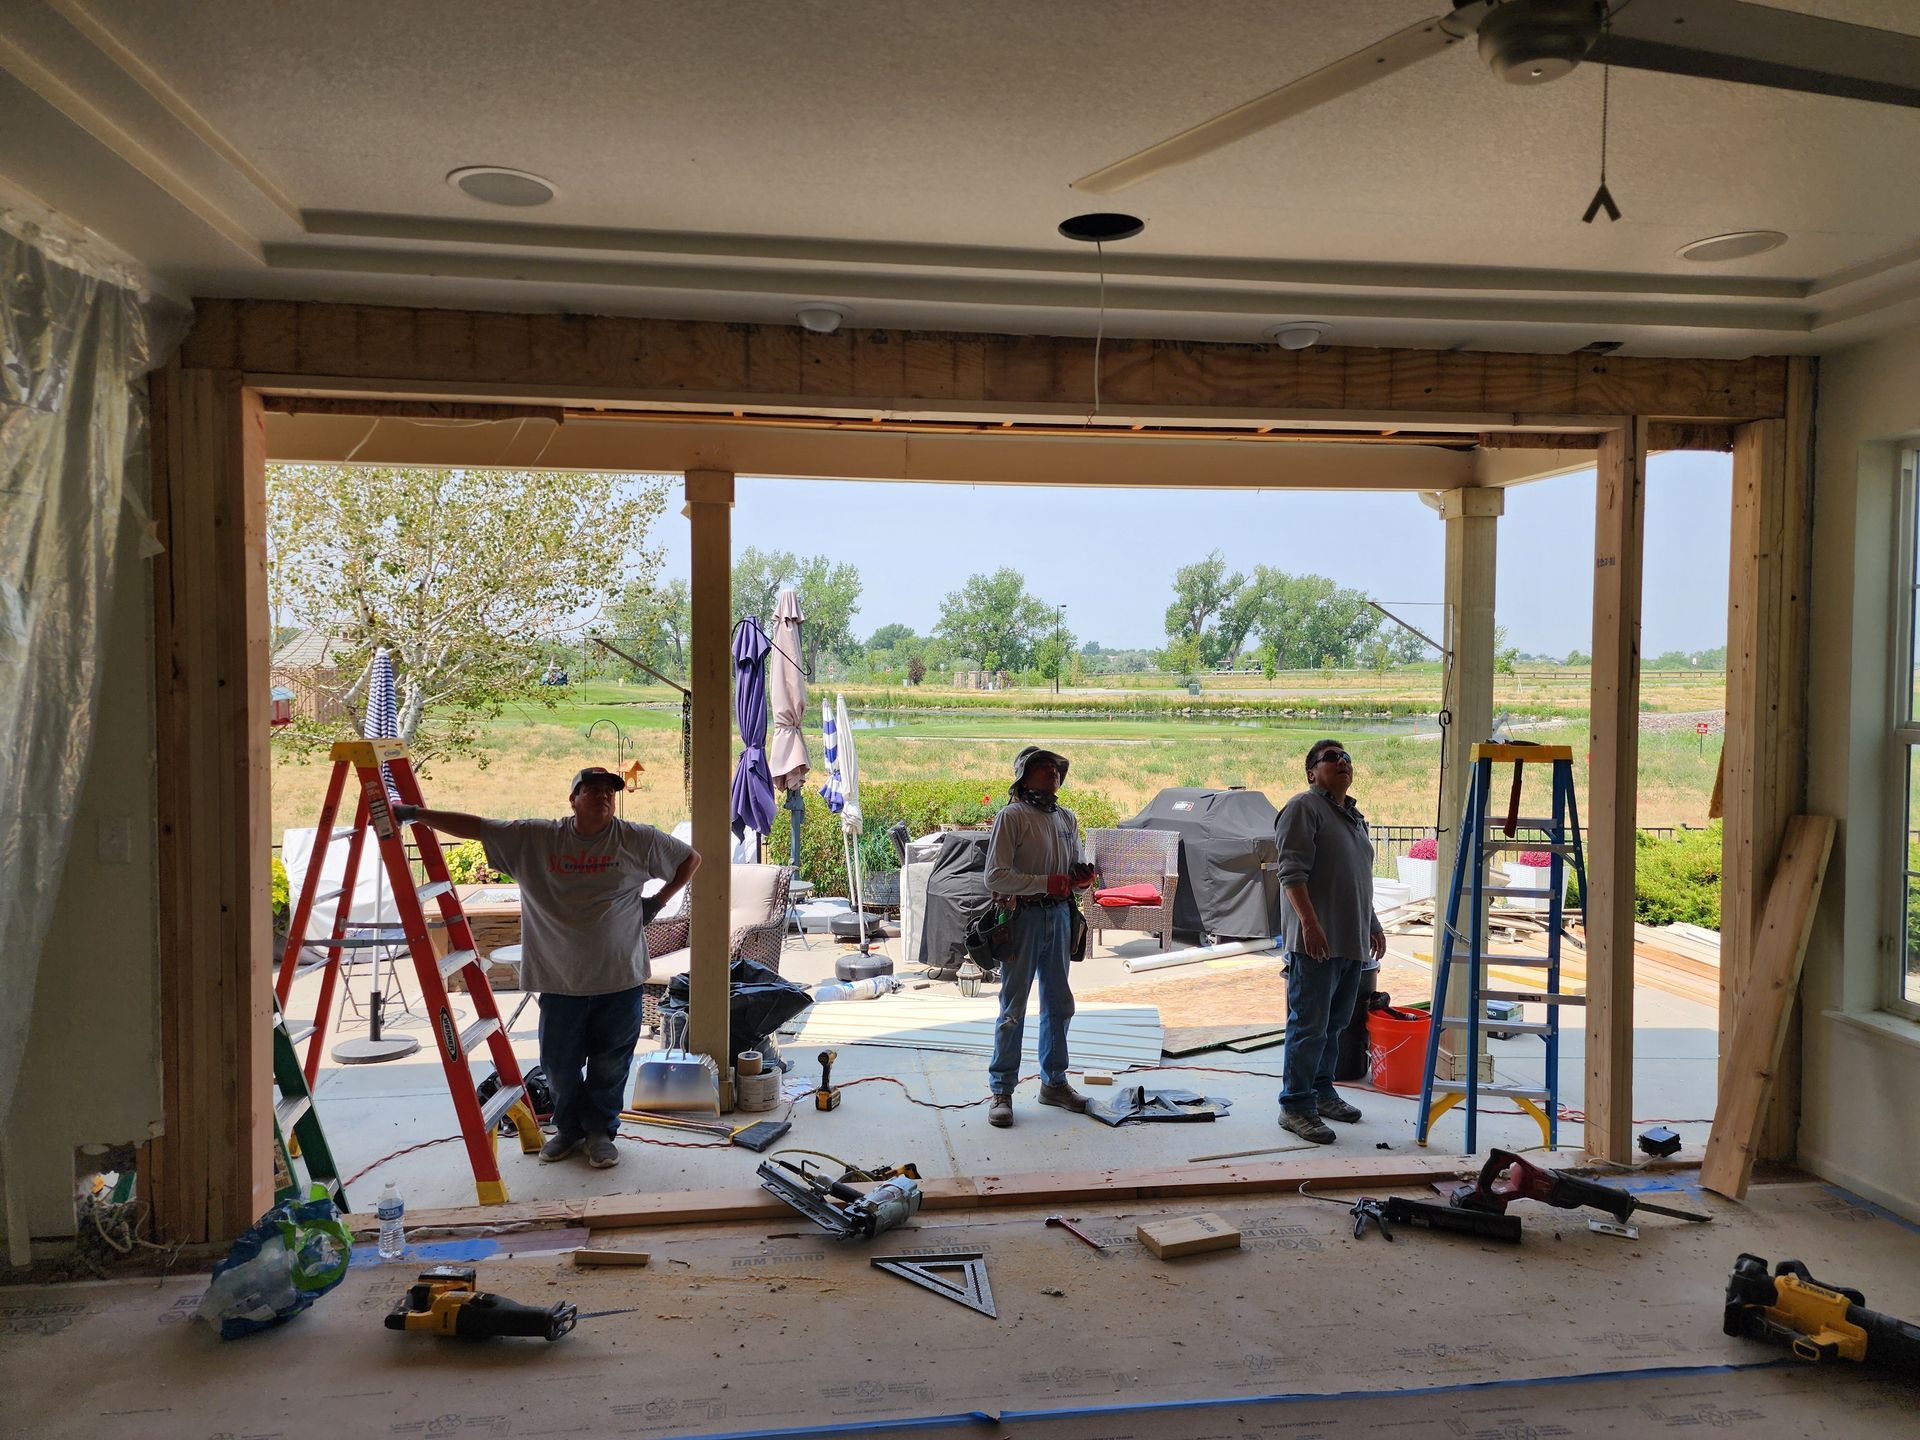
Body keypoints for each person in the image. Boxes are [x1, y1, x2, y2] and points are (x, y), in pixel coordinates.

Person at [393, 766, 700, 1169]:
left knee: (611, 1064)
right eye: (590, 790)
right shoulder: (536, 839)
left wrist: (657, 903)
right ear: (572, 799)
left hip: (619, 976)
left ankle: (600, 1132)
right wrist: (416, 813)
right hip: (559, 978)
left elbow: (689, 859)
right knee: (559, 1067)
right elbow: (479, 827)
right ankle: (568, 1129)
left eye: (609, 791)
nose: (602, 796)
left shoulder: (637, 839)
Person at [1273, 738, 1386, 1144]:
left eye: (1347, 757)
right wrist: (1309, 923)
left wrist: (1371, 922)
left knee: (1335, 1026)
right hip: (1316, 943)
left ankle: (1321, 1092)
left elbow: (1358, 880)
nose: (1343, 762)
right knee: (1308, 1026)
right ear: (1311, 772)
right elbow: (1291, 873)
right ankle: (1296, 1105)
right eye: (1331, 758)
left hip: (1351, 942)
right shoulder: (1304, 808)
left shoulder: (1354, 817)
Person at [982, 745, 1096, 1128]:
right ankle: (1002, 1090)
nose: (1053, 773)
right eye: (1044, 767)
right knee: (1013, 1010)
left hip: (1060, 917)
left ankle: (1054, 1083)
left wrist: (1080, 880)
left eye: (1057, 768)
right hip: (1023, 918)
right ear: (1024, 776)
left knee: (1059, 1004)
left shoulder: (1067, 818)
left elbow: (1074, 873)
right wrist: (1047, 882)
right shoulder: (1011, 817)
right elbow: (995, 876)